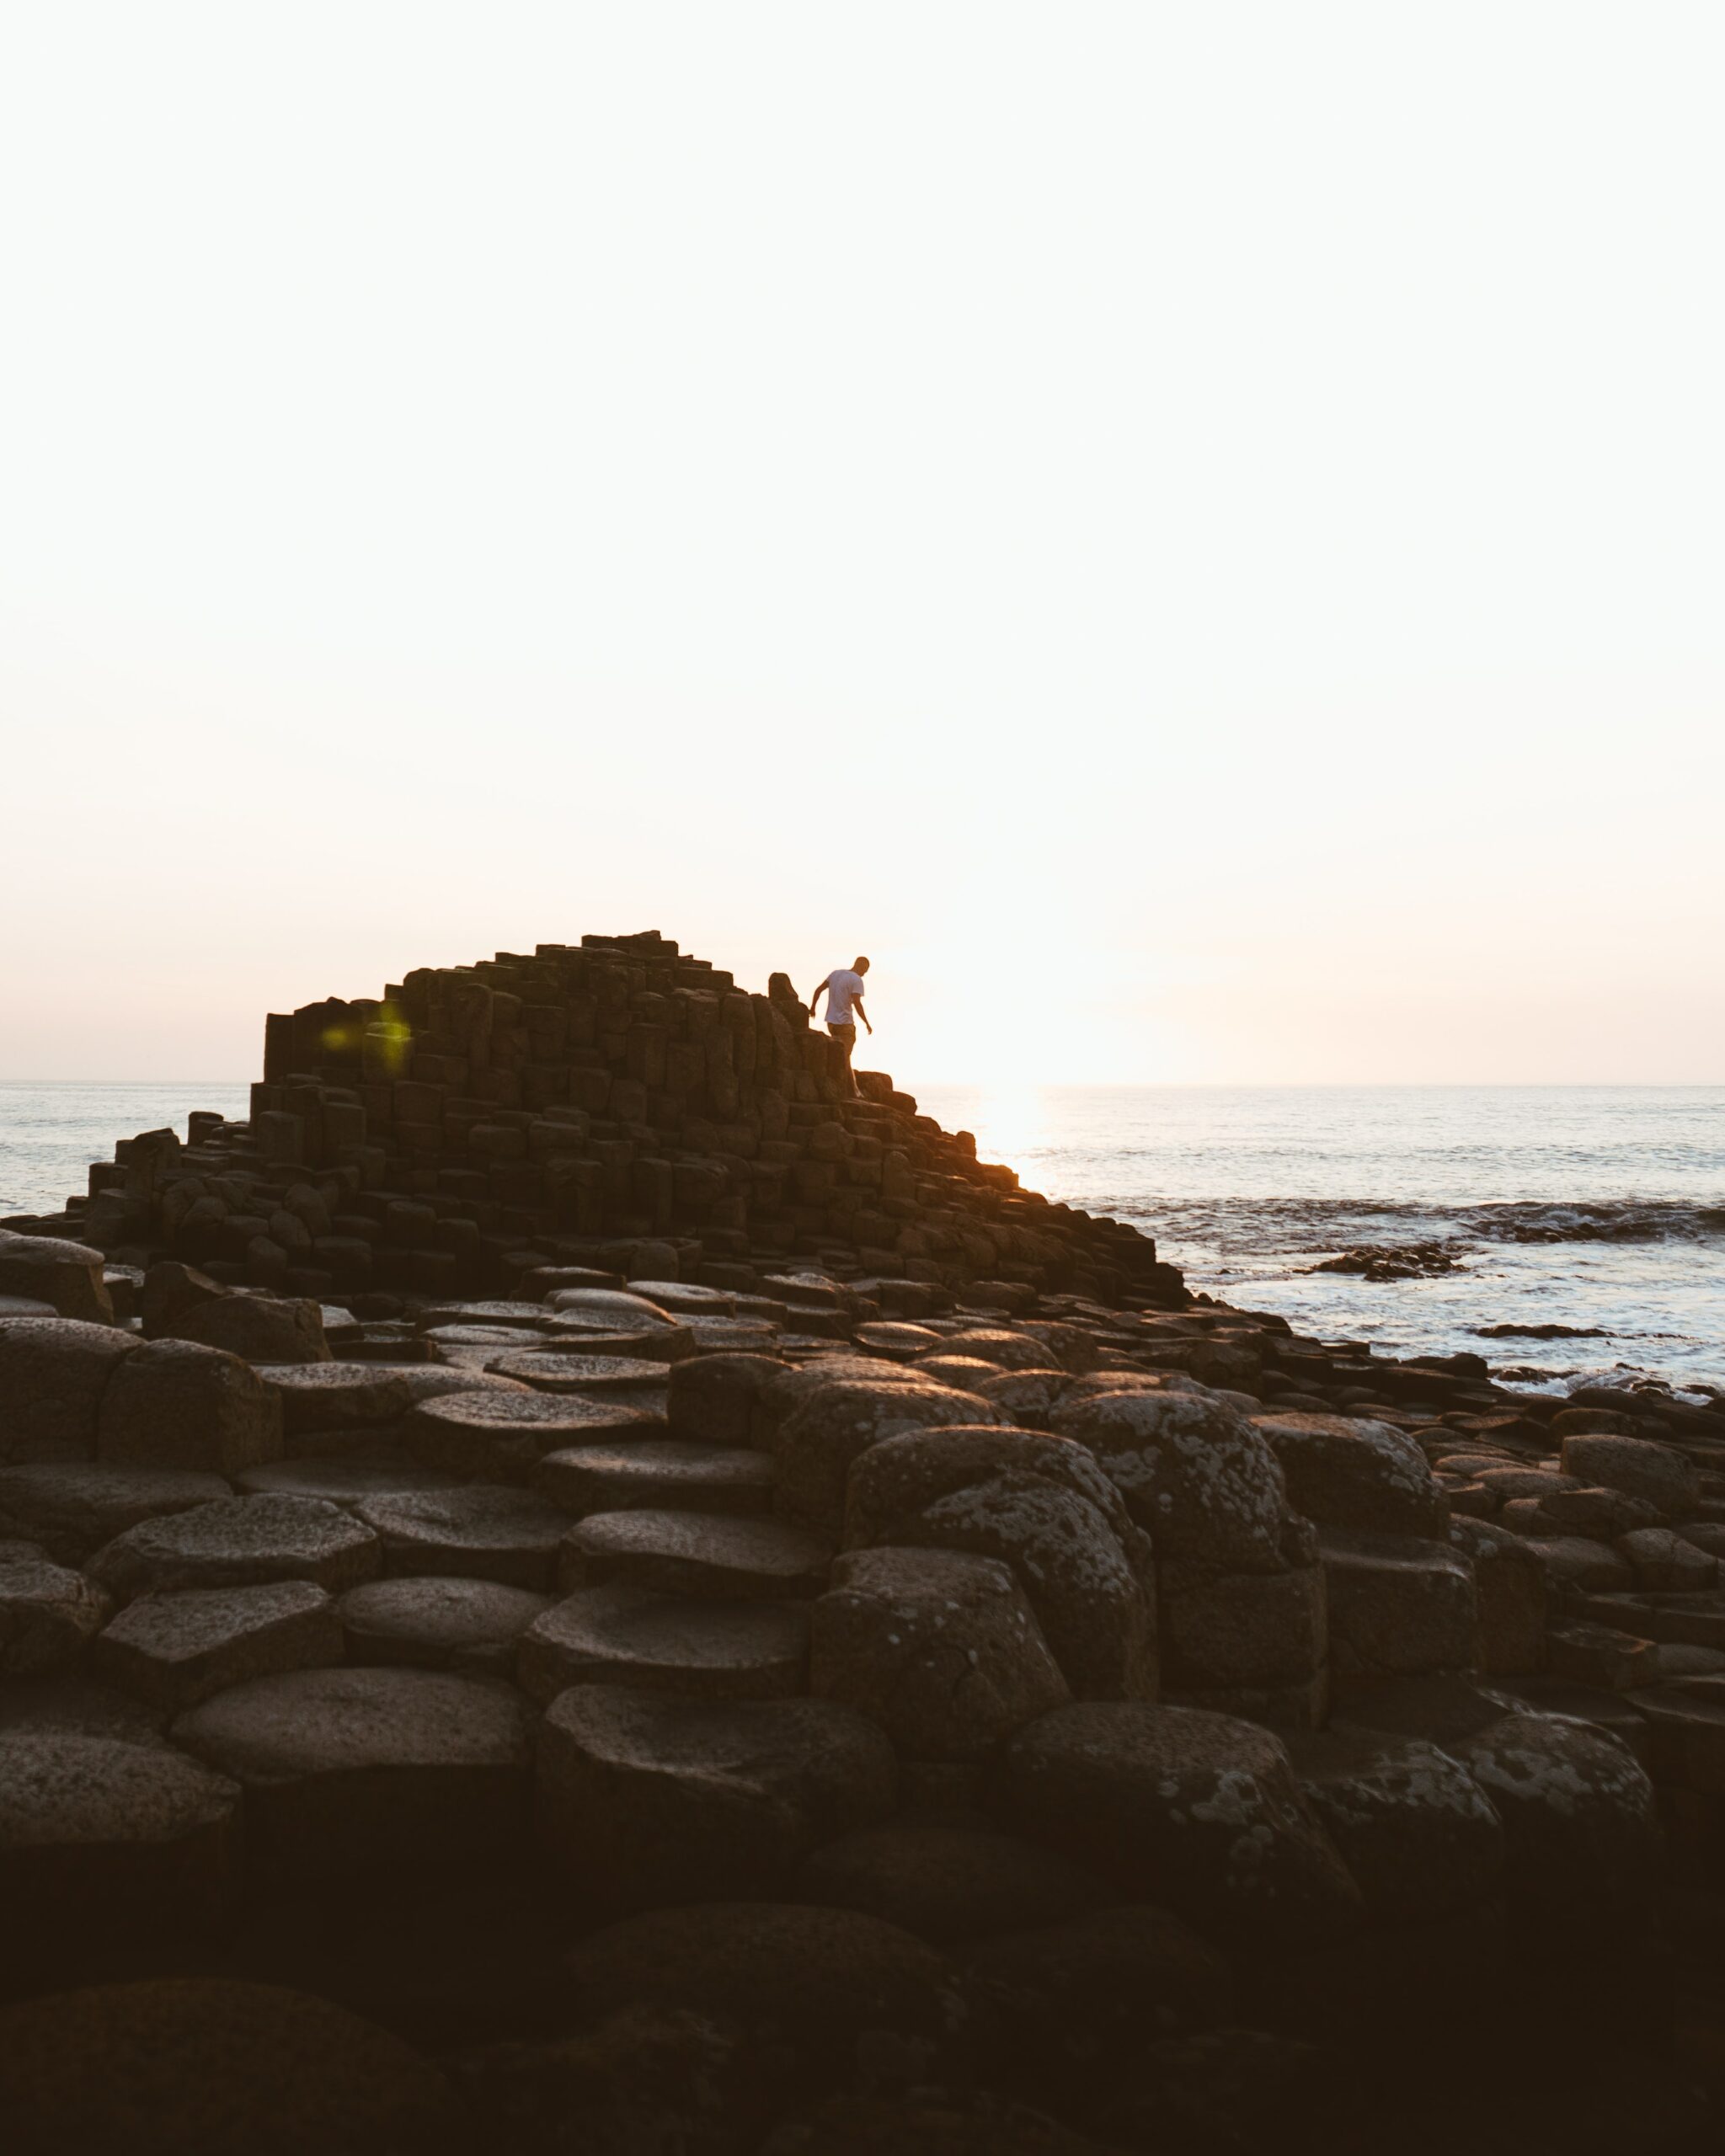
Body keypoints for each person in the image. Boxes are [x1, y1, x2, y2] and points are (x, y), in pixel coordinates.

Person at [809, 956, 872, 1092]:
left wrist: (813, 1007)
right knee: (843, 1057)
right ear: (860, 966)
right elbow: (857, 1003)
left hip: (831, 1024)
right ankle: (843, 1090)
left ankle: (854, 1090)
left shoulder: (835, 974)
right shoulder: (856, 980)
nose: (864, 974)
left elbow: (818, 990)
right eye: (865, 970)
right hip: (846, 1024)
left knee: (843, 1055)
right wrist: (866, 1022)